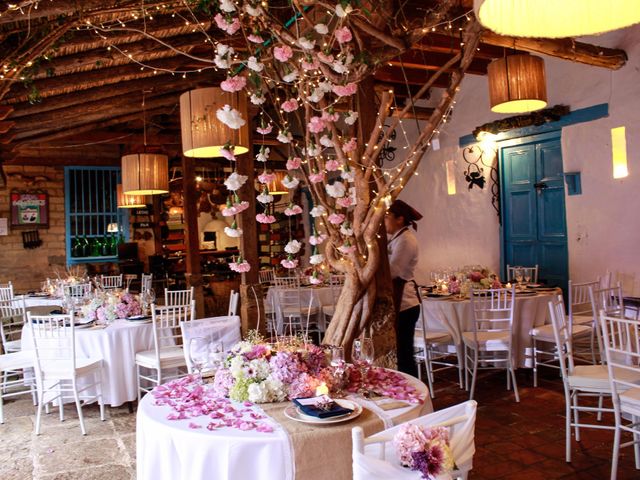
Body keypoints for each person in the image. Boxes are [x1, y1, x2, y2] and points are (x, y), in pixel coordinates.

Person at [385, 199, 423, 378]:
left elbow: (394, 271)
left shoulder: (406, 240)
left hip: (406, 304)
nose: (385, 221)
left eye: (387, 217)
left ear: (399, 219)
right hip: (399, 302)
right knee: (399, 350)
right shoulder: (396, 238)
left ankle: (413, 390)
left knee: (404, 351)